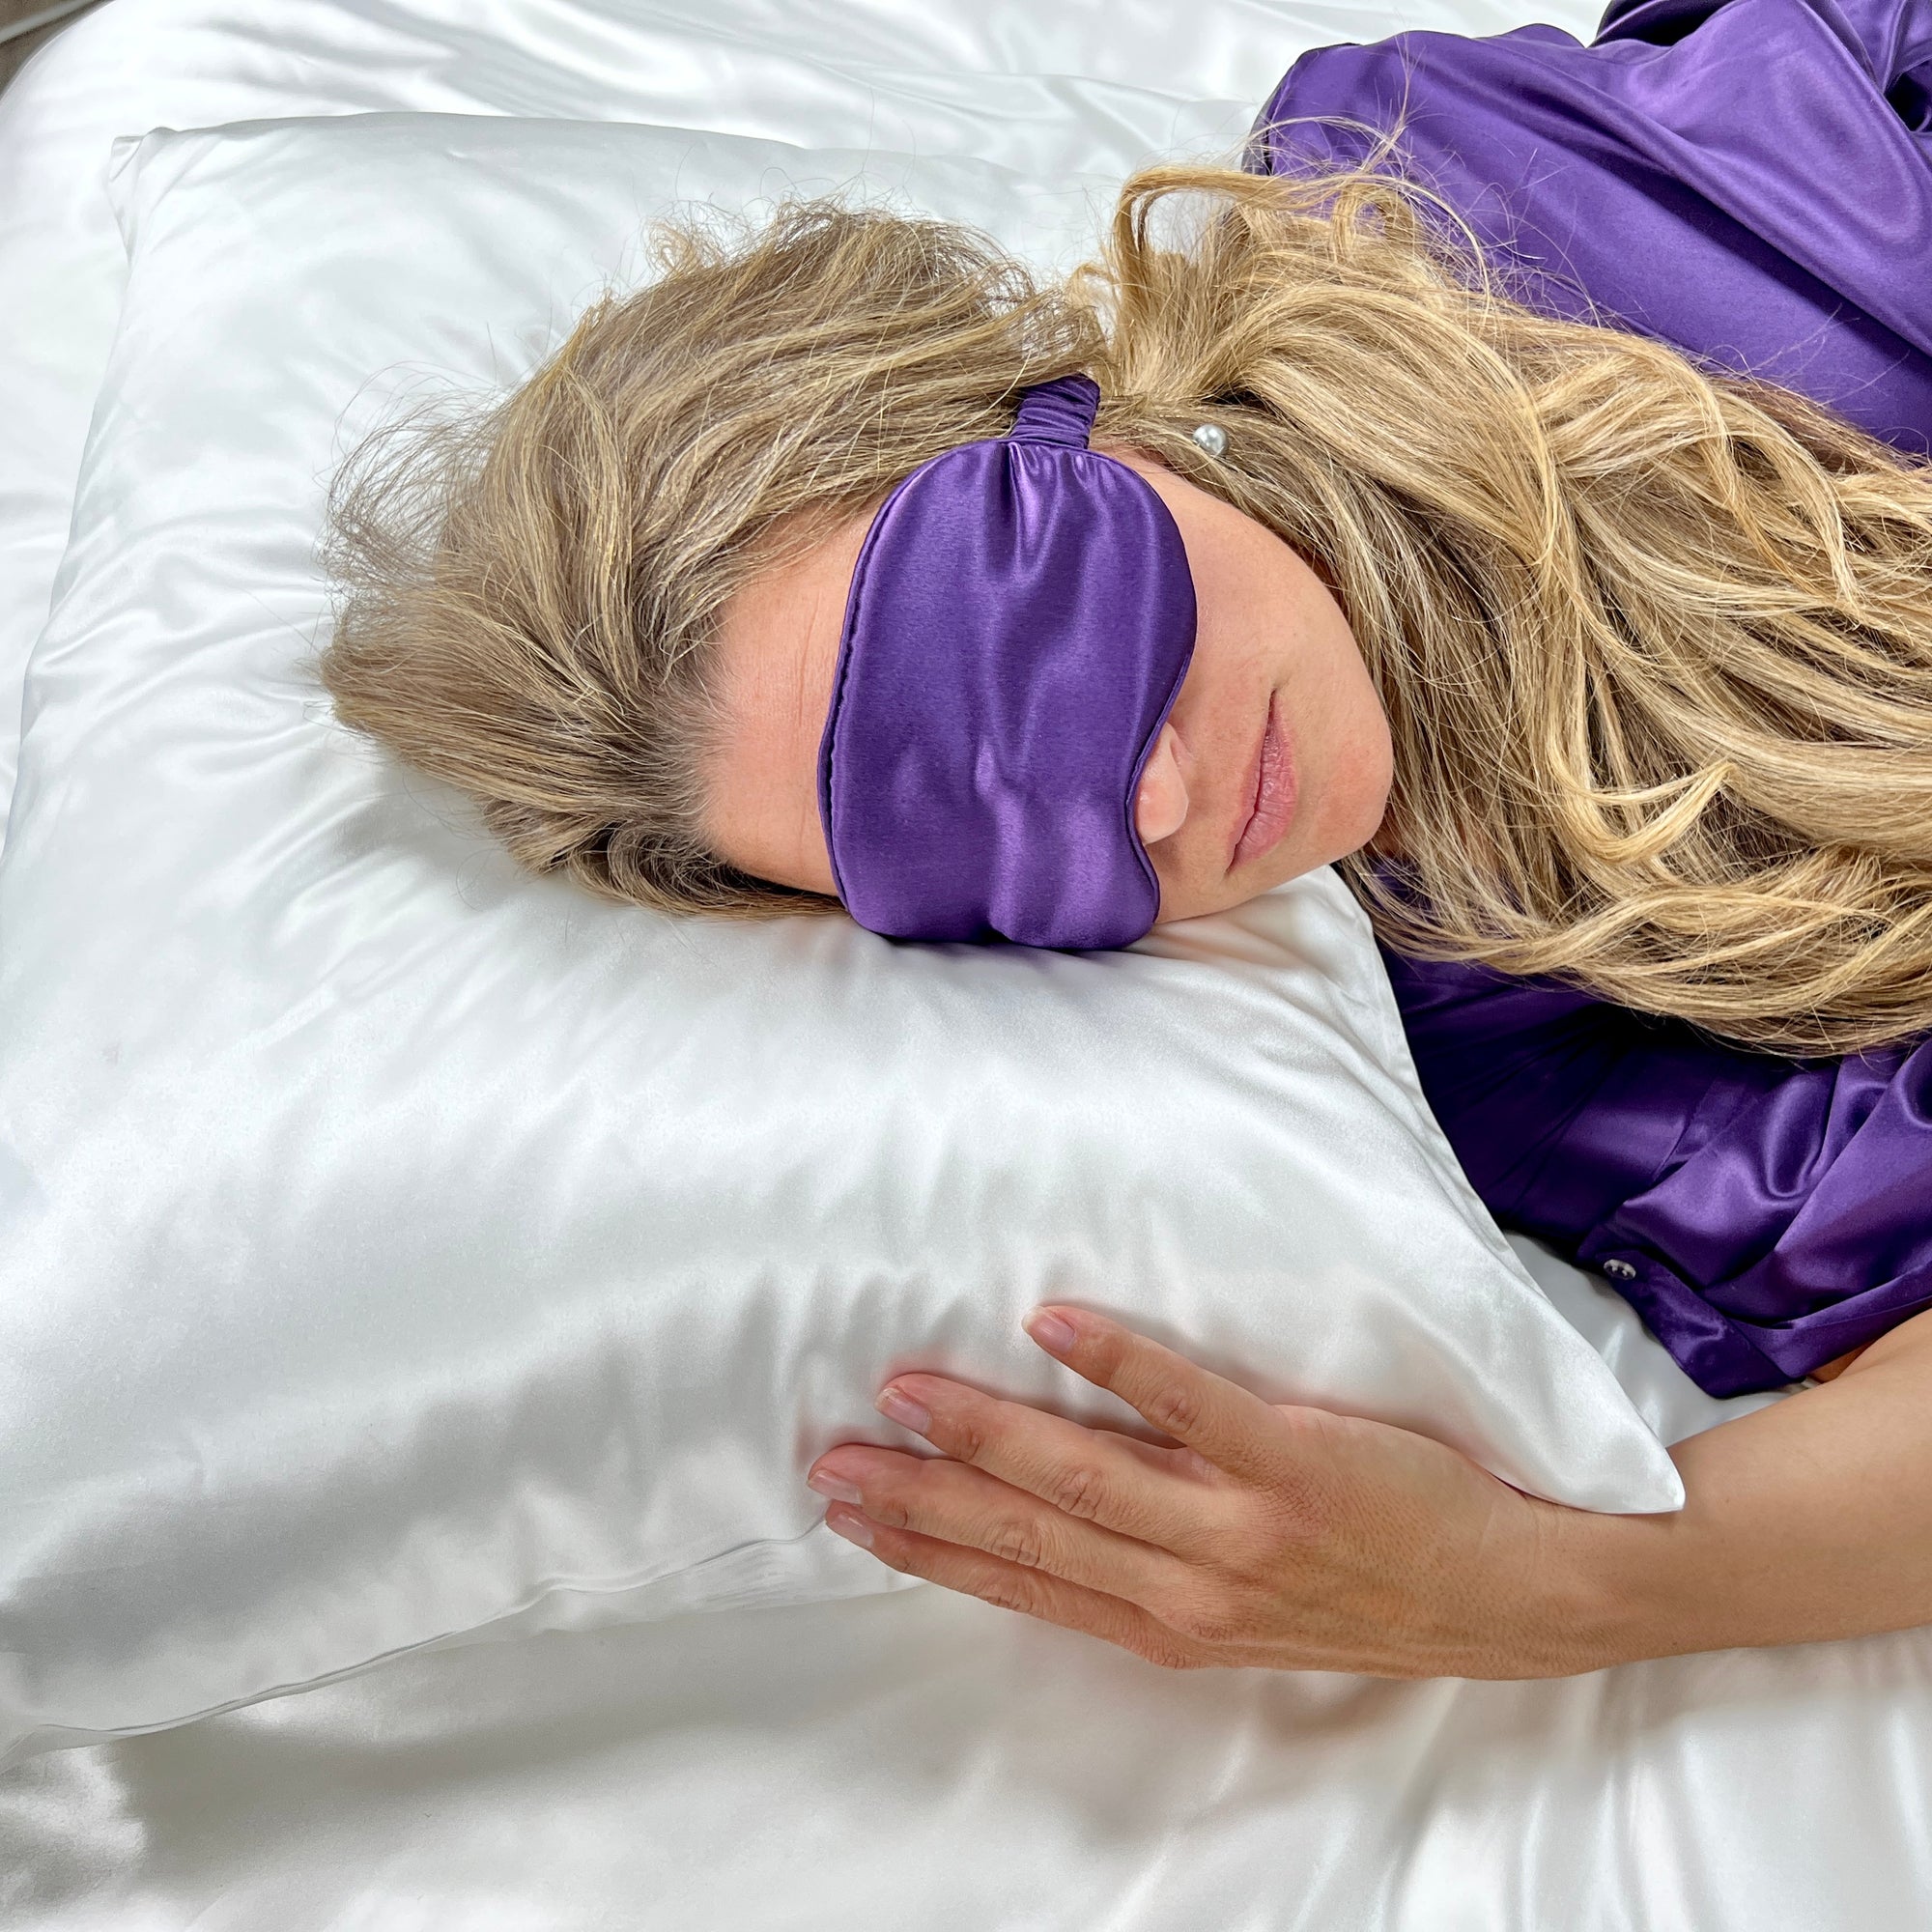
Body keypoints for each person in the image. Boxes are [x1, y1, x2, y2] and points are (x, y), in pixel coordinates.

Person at [322, 0, 1932, 1676]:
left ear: (1061, 402)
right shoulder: (1501, 1024)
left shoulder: (1454, 194)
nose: (1153, 804)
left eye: (1055, 641)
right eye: (996, 845)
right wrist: (1565, 1596)